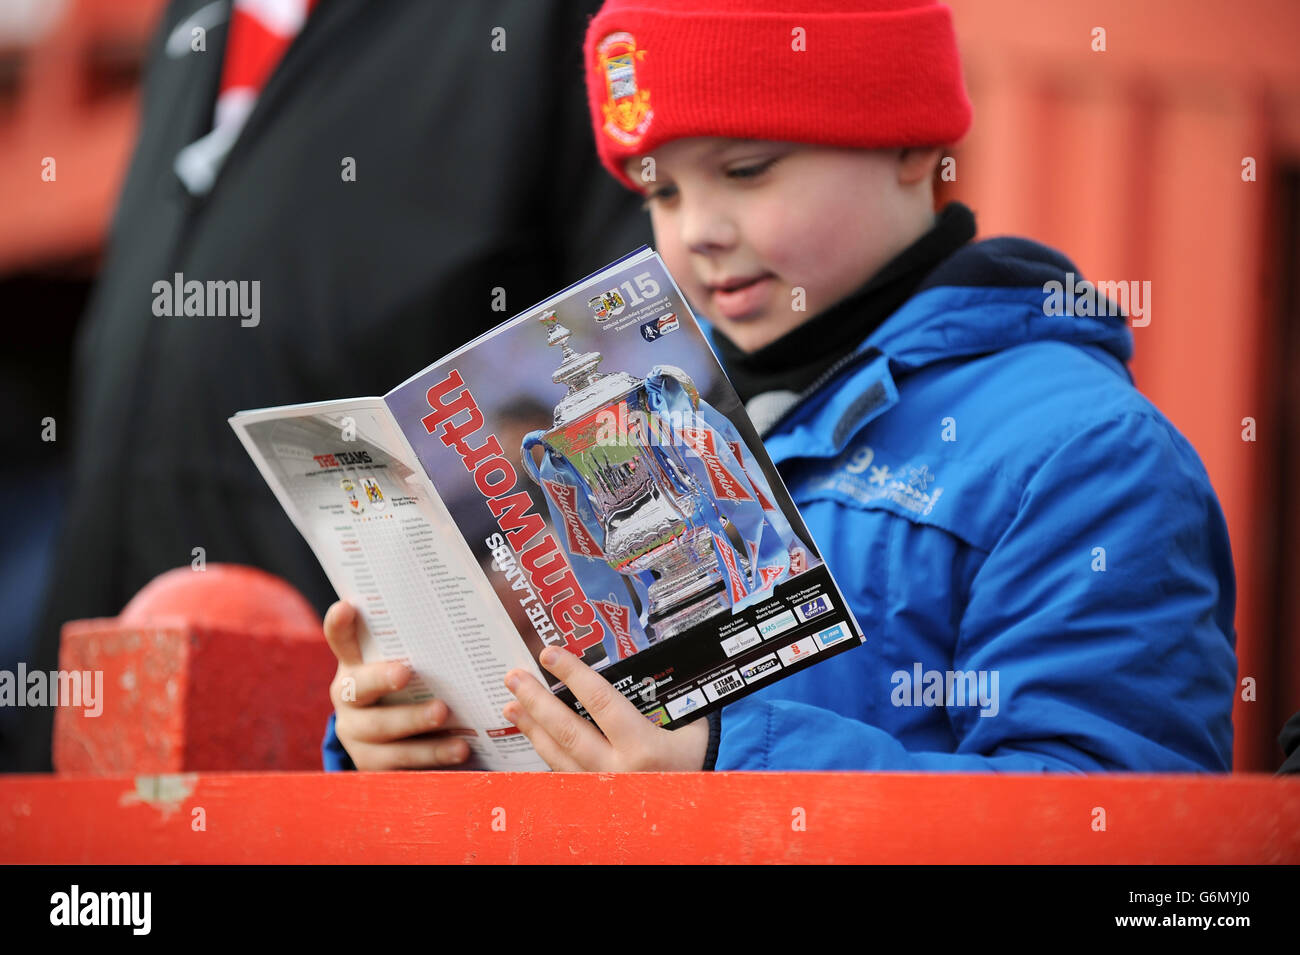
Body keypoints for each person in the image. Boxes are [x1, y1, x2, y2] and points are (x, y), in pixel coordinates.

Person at [321, 0, 1237, 773]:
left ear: (911, 144)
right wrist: (417, 734)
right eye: (661, 191)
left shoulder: (1080, 454)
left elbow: (1109, 815)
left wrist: (731, 771)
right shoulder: (653, 413)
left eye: (746, 171)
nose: (699, 230)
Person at [13, 0, 652, 772]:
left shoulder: (550, 21)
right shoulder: (191, 23)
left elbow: (641, 333)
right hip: (111, 691)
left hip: (400, 744)